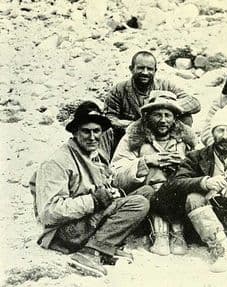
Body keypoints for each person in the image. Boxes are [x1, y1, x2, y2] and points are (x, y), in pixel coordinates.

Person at [31, 101, 149, 277]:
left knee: (146, 192)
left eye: (96, 131)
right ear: (75, 132)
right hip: (64, 231)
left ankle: (104, 247)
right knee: (138, 203)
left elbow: (106, 185)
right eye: (86, 131)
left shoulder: (93, 155)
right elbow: (48, 213)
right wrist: (94, 200)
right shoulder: (57, 162)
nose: (92, 137)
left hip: (86, 218)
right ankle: (90, 252)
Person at [159, 103, 227, 273]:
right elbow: (173, 183)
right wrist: (204, 182)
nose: (225, 136)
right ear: (213, 133)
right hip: (204, 219)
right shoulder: (196, 156)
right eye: (220, 130)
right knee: (193, 197)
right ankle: (221, 250)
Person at [110, 91, 196, 256]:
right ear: (147, 116)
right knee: (156, 176)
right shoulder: (133, 138)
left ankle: (177, 232)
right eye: (157, 115)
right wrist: (146, 162)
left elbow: (200, 166)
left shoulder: (185, 139)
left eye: (168, 115)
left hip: (178, 199)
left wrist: (183, 163)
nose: (163, 120)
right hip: (146, 199)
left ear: (175, 118)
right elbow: (116, 174)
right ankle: (160, 232)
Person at [104, 51, 201, 154]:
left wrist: (166, 106)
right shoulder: (119, 90)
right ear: (131, 69)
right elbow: (109, 118)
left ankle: (180, 154)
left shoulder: (166, 85)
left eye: (150, 69)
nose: (145, 72)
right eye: (141, 68)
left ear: (155, 71)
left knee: (186, 118)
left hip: (162, 134)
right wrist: (132, 125)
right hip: (132, 136)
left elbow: (194, 103)